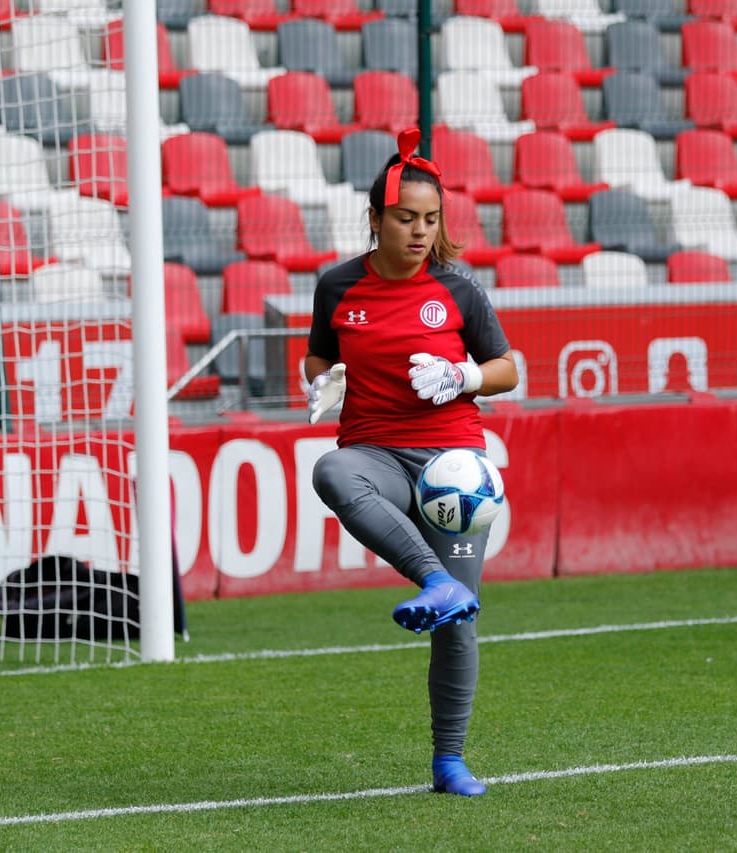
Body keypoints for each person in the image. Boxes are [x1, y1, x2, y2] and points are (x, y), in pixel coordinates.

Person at [303, 128, 519, 797]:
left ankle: (449, 761)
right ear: (375, 220)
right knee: (331, 472)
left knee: (458, 625)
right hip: (374, 453)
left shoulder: (458, 289)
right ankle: (436, 579)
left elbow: (509, 368)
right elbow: (317, 354)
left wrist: (463, 376)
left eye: (431, 219)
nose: (420, 231)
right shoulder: (337, 285)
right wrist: (324, 376)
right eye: (406, 219)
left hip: (452, 465)